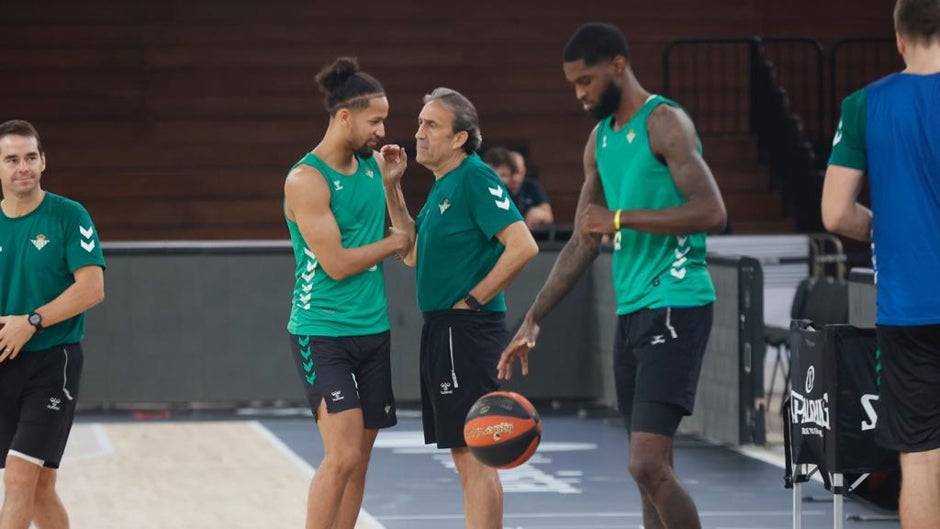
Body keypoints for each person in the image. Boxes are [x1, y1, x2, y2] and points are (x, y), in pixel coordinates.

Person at [497, 23, 726, 529]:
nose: (580, 95)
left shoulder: (664, 123)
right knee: (650, 473)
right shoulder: (598, 141)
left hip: (678, 301)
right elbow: (583, 238)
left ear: (618, 66)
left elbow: (711, 211)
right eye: (574, 85)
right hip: (632, 311)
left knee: (646, 463)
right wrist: (533, 318)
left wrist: (621, 218)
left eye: (587, 81)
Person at [382, 87, 538, 529]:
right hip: (446, 330)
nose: (419, 133)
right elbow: (411, 254)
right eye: (419, 124)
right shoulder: (443, 185)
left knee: (476, 453)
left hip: (467, 330)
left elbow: (522, 245)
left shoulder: (473, 176)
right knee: (467, 452)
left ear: (459, 138)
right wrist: (393, 186)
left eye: (431, 125)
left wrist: (473, 300)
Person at [822, 2, 940, 526]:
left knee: (919, 459)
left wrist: (882, 224)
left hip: (909, 311)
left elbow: (835, 212)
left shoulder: (863, 105)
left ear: (898, 38)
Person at [282, 57, 411, 529]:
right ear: (344, 117)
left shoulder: (376, 167)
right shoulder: (306, 179)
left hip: (373, 331)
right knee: (341, 455)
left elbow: (409, 248)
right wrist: (394, 242)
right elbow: (336, 264)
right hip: (322, 331)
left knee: (360, 459)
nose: (382, 129)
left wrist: (394, 189)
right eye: (375, 119)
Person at [0, 119, 106, 529]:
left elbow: (92, 288)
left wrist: (33, 321)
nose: (22, 166)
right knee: (40, 487)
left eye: (30, 157)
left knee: (20, 478)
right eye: (12, 159)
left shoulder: (68, 215)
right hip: (5, 363)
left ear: (43, 162)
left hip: (52, 363)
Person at [482, 147, 554, 230]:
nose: (515, 178)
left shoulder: (532, 186)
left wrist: (540, 213)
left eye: (518, 172)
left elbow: (549, 217)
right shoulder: (495, 189)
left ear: (524, 170)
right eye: (506, 174)